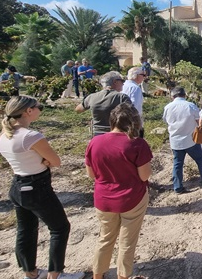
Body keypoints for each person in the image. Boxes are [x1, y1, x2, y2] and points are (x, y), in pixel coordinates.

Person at [0, 96, 84, 279]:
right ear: (28, 111)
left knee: (26, 230)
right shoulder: (31, 136)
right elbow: (56, 161)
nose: (40, 109)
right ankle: (55, 273)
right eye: (38, 106)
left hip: (17, 186)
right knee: (60, 228)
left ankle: (30, 272)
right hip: (37, 187)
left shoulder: (5, 134)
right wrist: (45, 162)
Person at [85, 103, 152, 279]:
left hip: (103, 198)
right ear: (134, 121)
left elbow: (91, 174)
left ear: (112, 120)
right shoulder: (138, 144)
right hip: (132, 199)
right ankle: (123, 276)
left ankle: (97, 276)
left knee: (105, 239)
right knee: (127, 243)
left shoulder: (95, 142)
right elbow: (144, 176)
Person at [162, 87, 202, 194]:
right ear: (184, 95)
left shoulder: (168, 107)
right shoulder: (190, 105)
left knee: (177, 163)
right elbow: (199, 121)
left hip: (175, 140)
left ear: (172, 96)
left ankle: (178, 187)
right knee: (200, 160)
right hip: (191, 140)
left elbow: (165, 121)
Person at [75, 71, 131, 136]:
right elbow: (131, 114)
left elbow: (78, 110)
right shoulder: (122, 97)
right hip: (116, 132)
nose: (123, 84)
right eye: (122, 81)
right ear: (115, 82)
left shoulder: (92, 97)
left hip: (97, 133)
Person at [121, 67, 146, 138]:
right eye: (142, 75)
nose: (144, 77)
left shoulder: (123, 85)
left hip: (121, 119)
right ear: (136, 75)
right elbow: (135, 106)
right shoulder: (135, 88)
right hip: (132, 122)